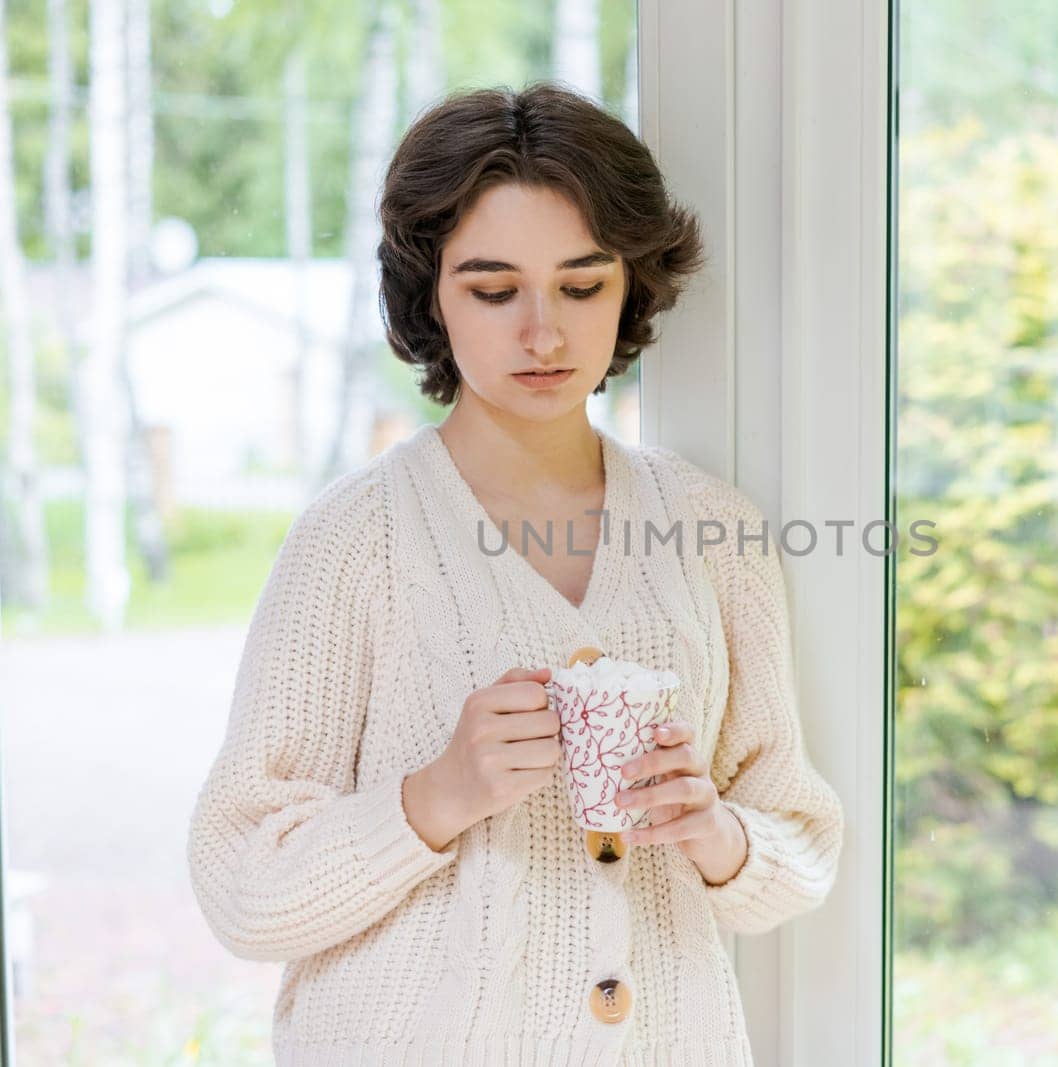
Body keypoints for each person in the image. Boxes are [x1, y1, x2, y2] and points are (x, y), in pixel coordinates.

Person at [186, 82, 844, 1066]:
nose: (542, 331)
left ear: (631, 287)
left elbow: (796, 842)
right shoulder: (352, 537)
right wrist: (435, 796)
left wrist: (715, 832)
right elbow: (243, 887)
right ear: (430, 295)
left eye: (582, 285)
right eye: (493, 289)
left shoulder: (713, 529)